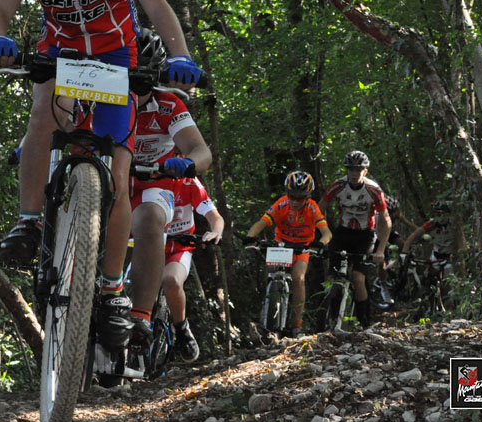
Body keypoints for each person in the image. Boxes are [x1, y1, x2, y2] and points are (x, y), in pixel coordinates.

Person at [0, 0, 203, 350]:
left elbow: (157, 6)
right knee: (42, 115)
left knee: (120, 174)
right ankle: (29, 221)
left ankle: (111, 288)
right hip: (59, 53)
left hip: (116, 59)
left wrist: (181, 55)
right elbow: (1, 9)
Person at [126, 29, 212, 348]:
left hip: (154, 184)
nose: (136, 83)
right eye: (129, 72)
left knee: (149, 217)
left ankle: (140, 315)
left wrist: (188, 163)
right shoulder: (99, 98)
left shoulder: (168, 105)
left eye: (144, 75)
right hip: (112, 182)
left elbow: (200, 150)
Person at [243, 170, 332, 337]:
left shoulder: (312, 208)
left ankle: (297, 325)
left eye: (300, 198)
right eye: (292, 196)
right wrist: (250, 236)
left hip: (302, 247)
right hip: (282, 243)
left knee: (298, 278)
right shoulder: (282, 204)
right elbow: (262, 222)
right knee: (272, 271)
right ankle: (268, 308)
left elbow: (327, 232)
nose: (295, 201)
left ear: (308, 197)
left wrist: (320, 243)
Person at [318, 150, 392, 328]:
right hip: (342, 233)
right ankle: (331, 319)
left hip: (365, 235)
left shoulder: (374, 190)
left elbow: (385, 220)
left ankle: (364, 322)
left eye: (358, 170)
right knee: (334, 277)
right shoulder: (338, 186)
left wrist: (381, 249)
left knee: (358, 278)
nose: (354, 173)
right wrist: (319, 235)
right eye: (350, 169)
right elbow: (319, 210)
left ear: (365, 171)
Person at [162, 175, 223, 361]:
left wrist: (216, 232)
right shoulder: (144, 174)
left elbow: (215, 217)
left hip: (178, 249)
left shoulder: (189, 181)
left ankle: (181, 328)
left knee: (171, 281)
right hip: (144, 247)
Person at [401, 201, 464, 278]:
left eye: (441, 214)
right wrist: (404, 252)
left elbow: (461, 242)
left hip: (451, 257)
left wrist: (461, 254)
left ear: (448, 214)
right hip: (436, 257)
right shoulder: (431, 224)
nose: (439, 217)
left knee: (450, 275)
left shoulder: (454, 226)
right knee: (428, 276)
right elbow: (414, 235)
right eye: (437, 214)